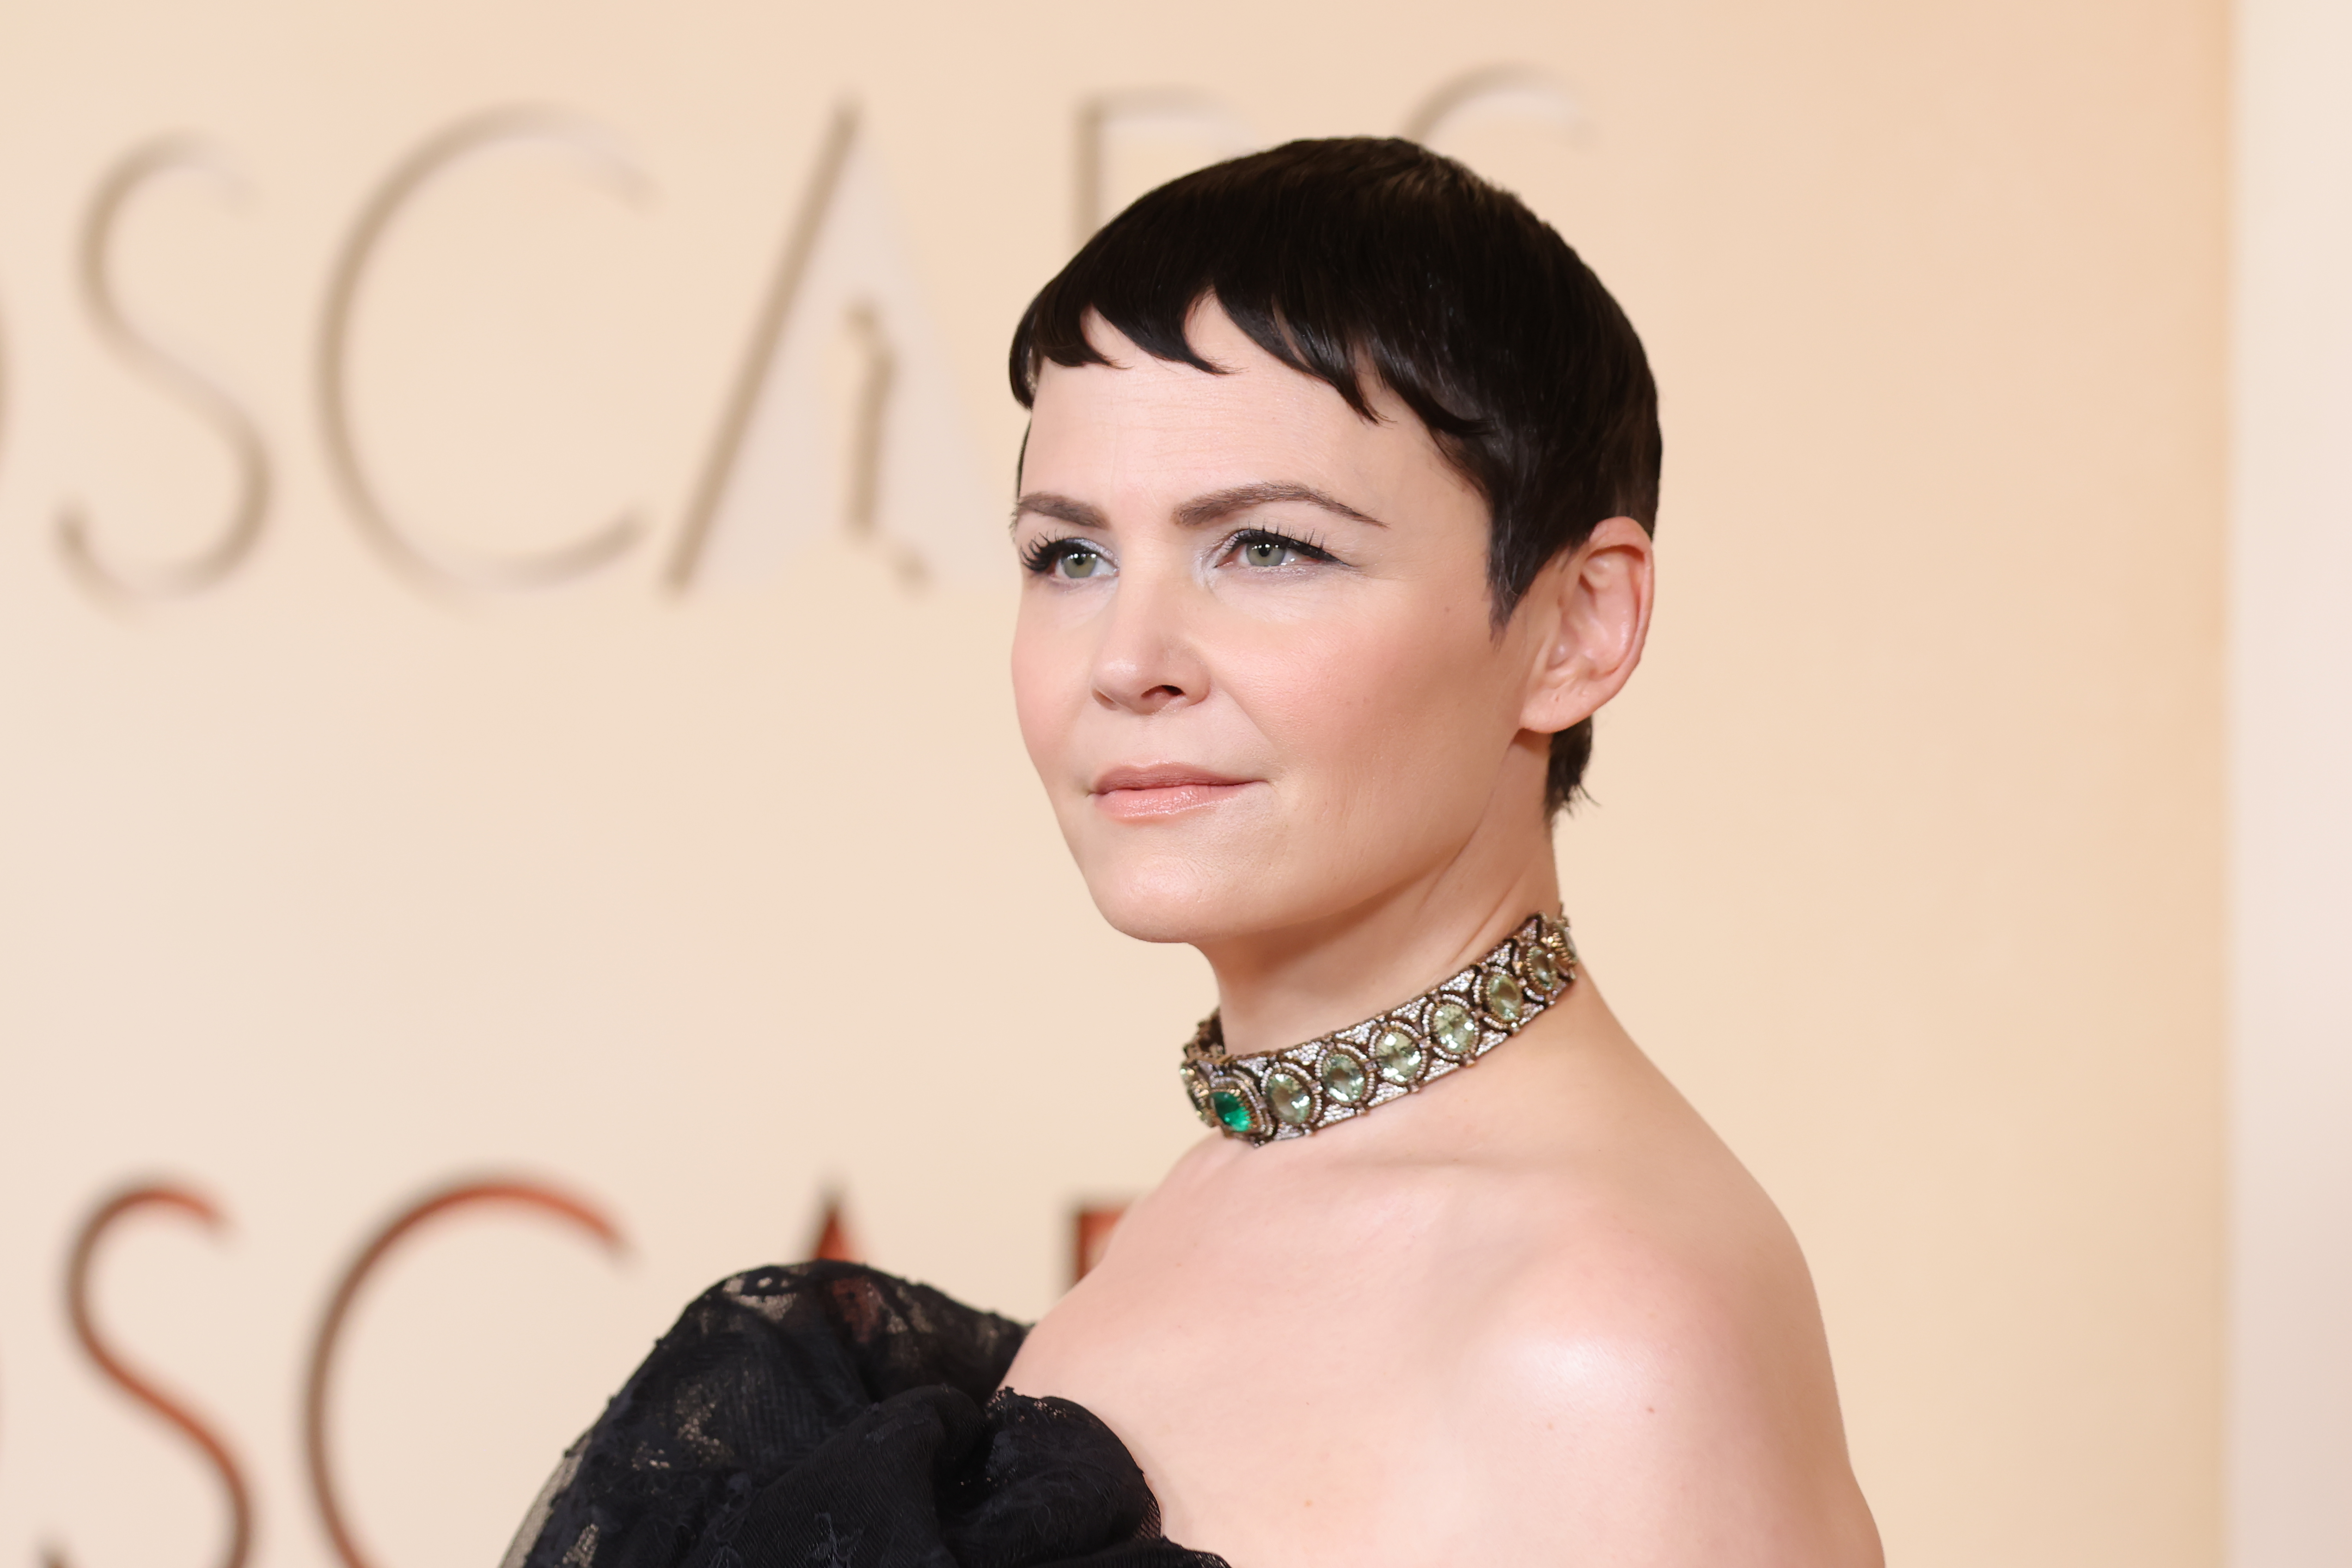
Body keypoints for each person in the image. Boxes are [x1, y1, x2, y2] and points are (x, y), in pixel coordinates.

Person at [502, 137, 1883, 1568]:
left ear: (1576, 626)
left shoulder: (1599, 1343)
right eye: (1072, 557)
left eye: (1270, 549)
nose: (1131, 662)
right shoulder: (1253, 1168)